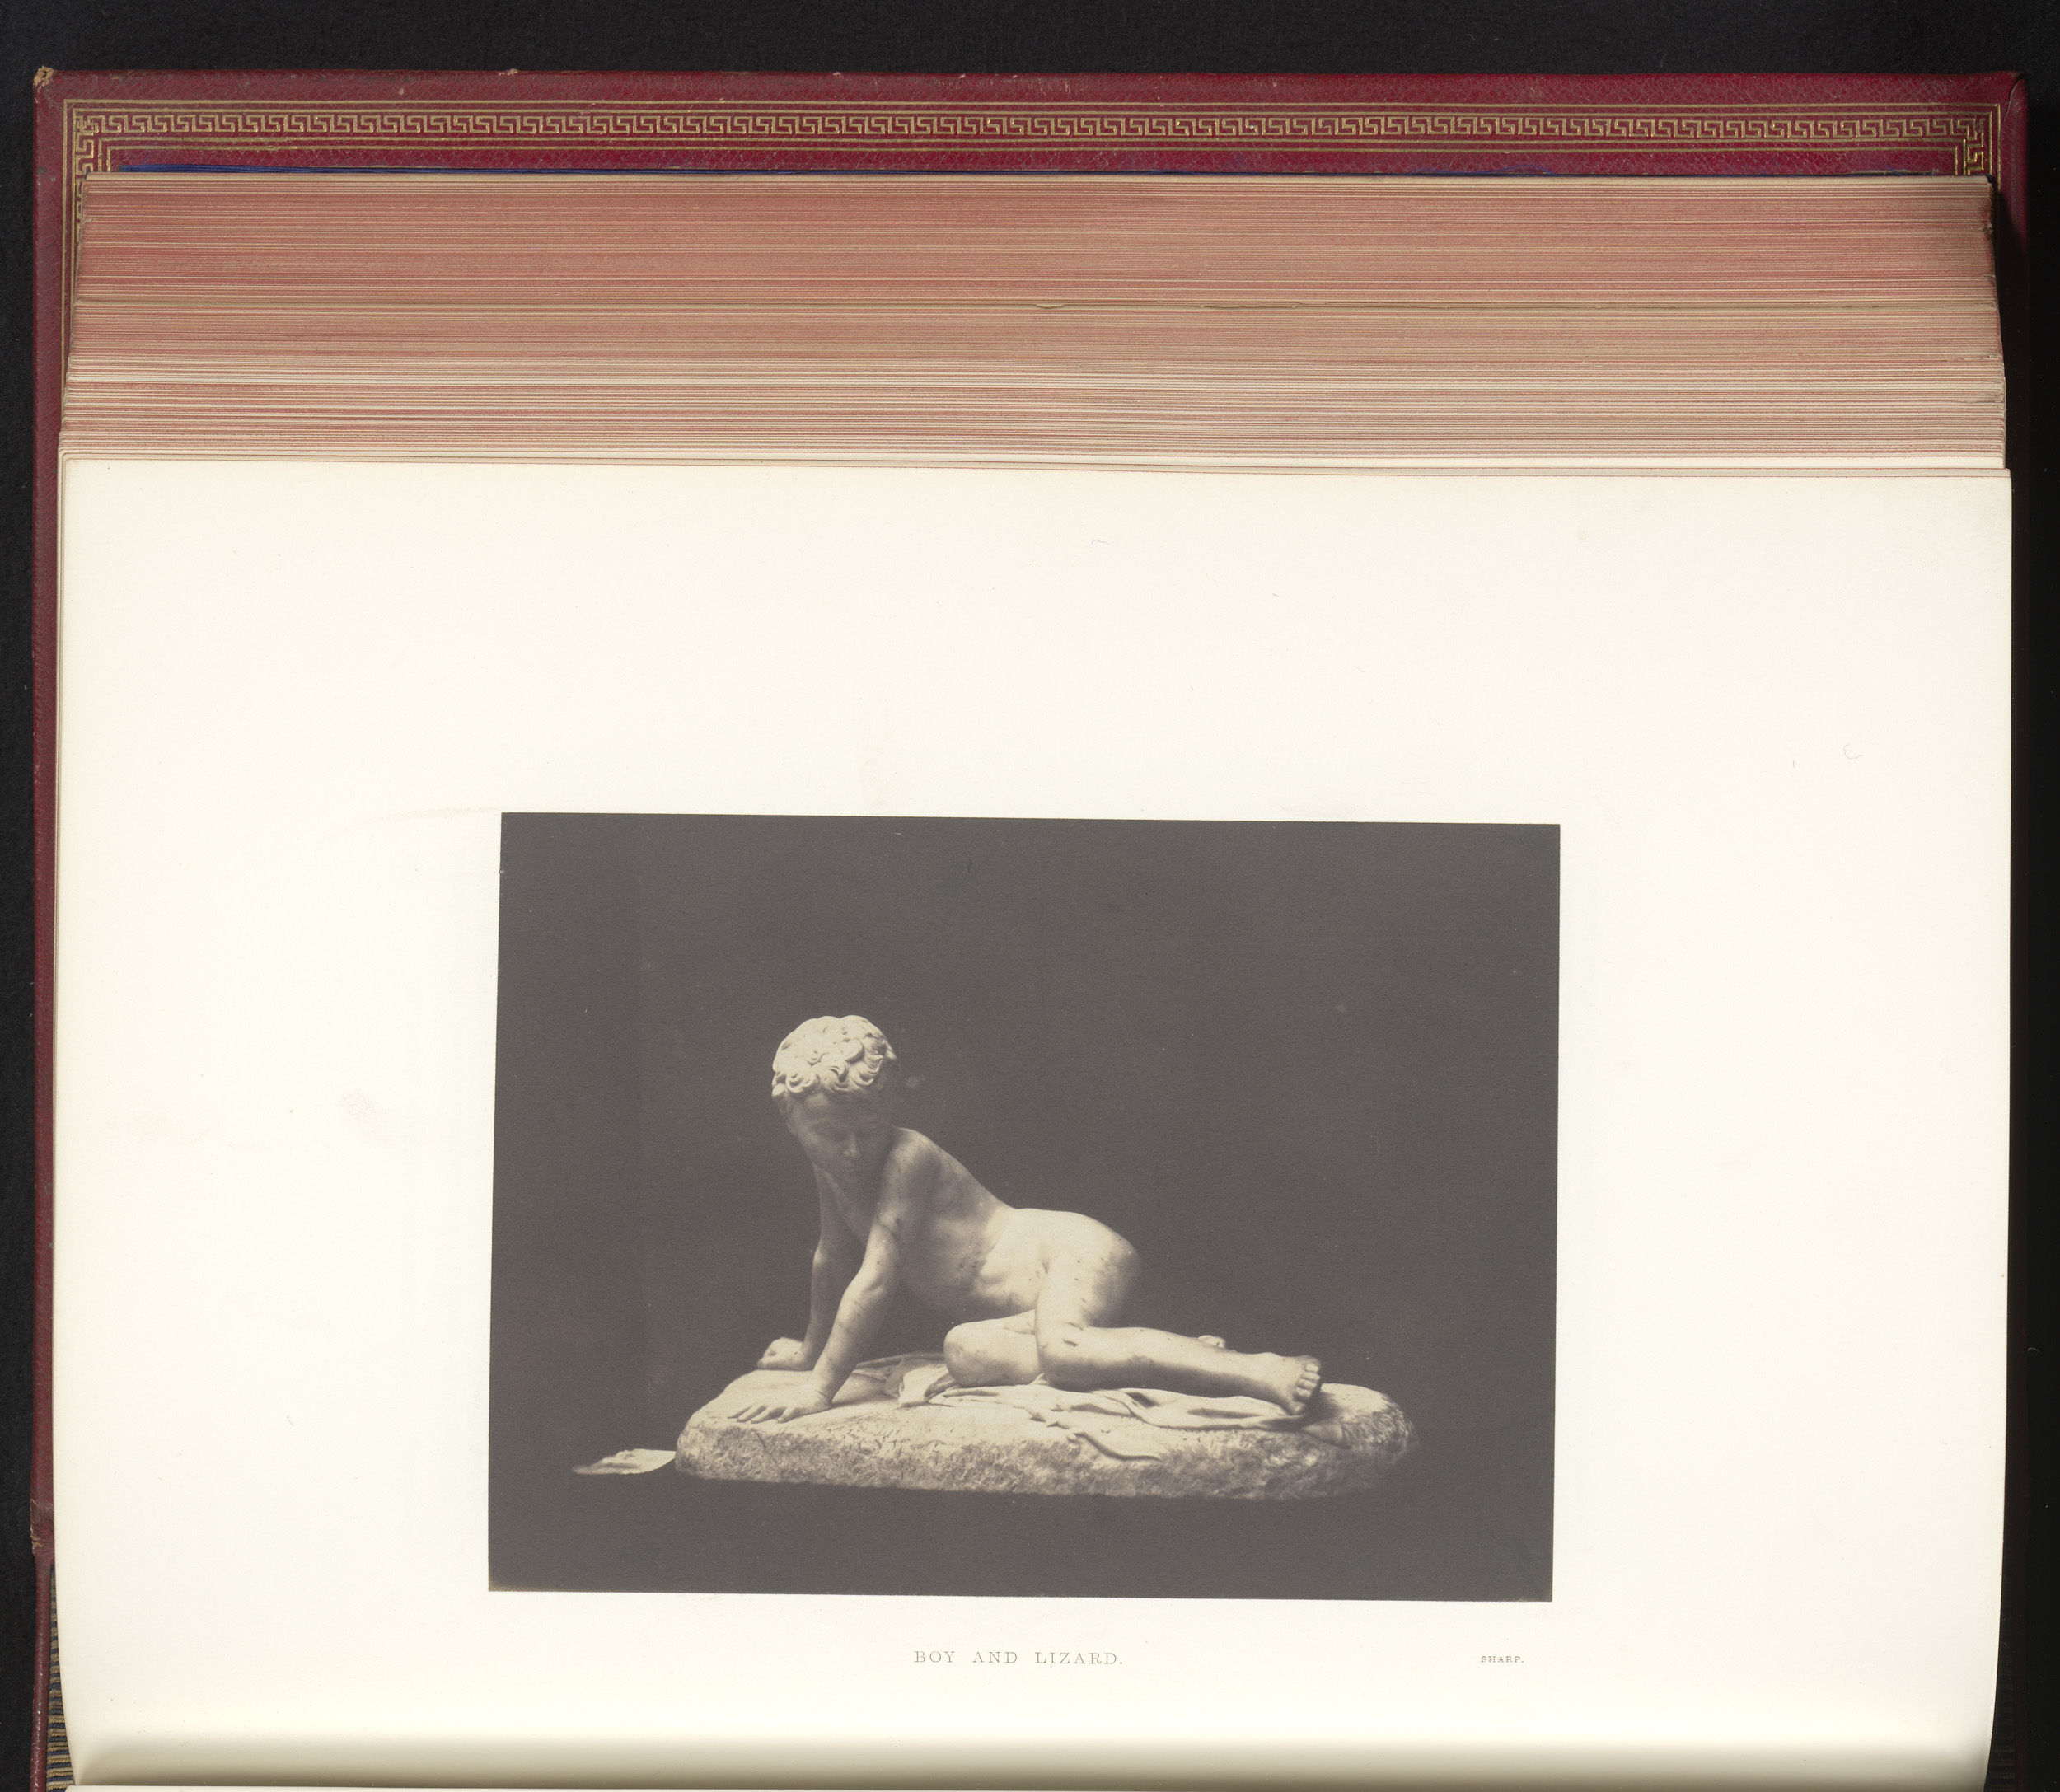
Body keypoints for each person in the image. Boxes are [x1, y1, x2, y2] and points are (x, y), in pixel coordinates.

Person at [737, 1014, 1323, 1424]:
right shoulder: (835, 1171)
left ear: (889, 1109)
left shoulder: (905, 1160)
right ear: (792, 1124)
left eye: (868, 1130)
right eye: (831, 1135)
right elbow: (831, 1258)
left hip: (1069, 1251)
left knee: (1064, 1351)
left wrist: (819, 1390)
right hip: (1026, 1310)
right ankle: (1162, 1358)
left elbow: (874, 1279)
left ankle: (1260, 1371)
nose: (852, 1150)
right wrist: (810, 1351)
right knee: (964, 1352)